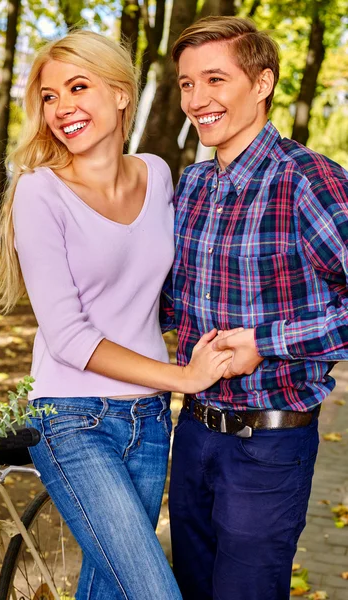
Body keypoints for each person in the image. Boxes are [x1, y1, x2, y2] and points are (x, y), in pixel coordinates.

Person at [0, 30, 233, 600]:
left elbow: (168, 286)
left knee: (109, 589)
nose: (62, 107)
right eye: (49, 96)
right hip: (71, 419)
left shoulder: (158, 174)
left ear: (122, 94)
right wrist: (184, 378)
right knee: (153, 591)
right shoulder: (38, 193)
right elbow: (68, 336)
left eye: (77, 87)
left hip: (147, 422)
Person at [162, 15, 348, 600]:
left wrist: (265, 343)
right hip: (191, 435)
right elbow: (170, 304)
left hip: (268, 447)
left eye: (215, 79)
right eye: (187, 84)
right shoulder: (191, 184)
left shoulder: (307, 181)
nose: (198, 99)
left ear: (262, 83)